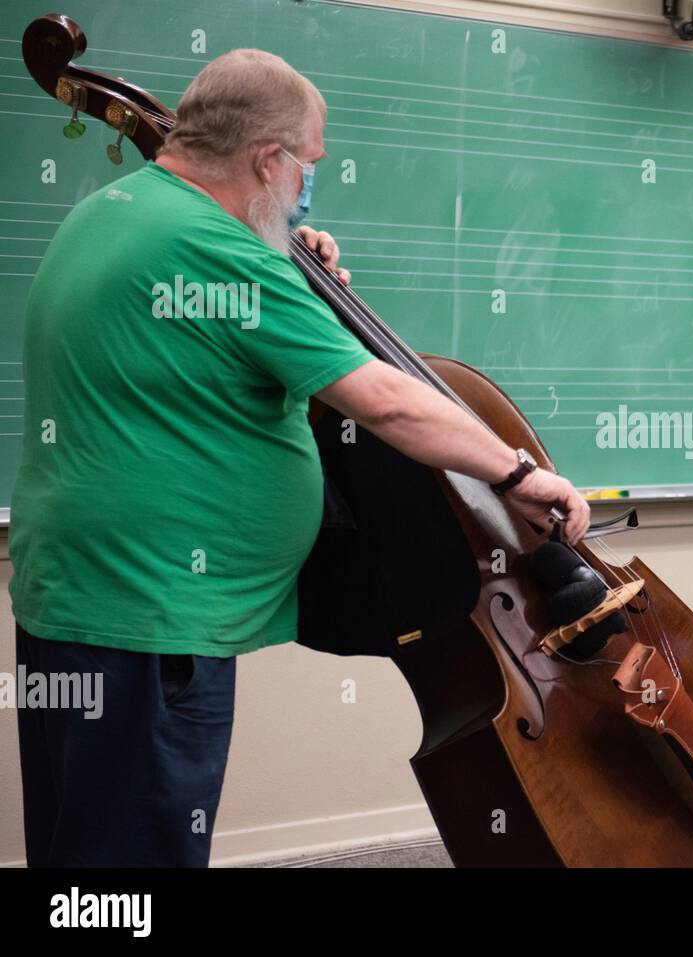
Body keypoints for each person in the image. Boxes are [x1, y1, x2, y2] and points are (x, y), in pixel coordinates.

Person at [9, 48, 590, 867]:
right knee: (135, 862)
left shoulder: (118, 211)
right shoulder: (221, 252)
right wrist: (518, 472)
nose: (311, 183)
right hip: (152, 618)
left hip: (77, 598)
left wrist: (281, 258)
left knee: (84, 853)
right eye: (310, 164)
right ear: (268, 159)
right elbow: (383, 400)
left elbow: (198, 368)